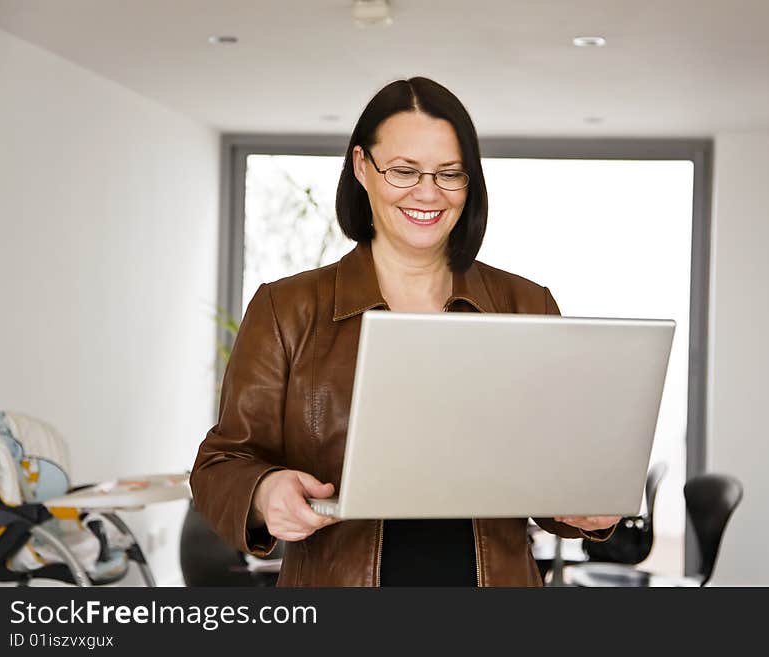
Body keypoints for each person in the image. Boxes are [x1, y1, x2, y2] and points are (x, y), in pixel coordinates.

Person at [190, 77, 619, 587]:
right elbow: (221, 464)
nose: (428, 193)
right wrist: (263, 492)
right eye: (404, 171)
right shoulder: (287, 309)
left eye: (449, 174)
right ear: (361, 168)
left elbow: (552, 470)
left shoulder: (526, 305)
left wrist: (585, 502)